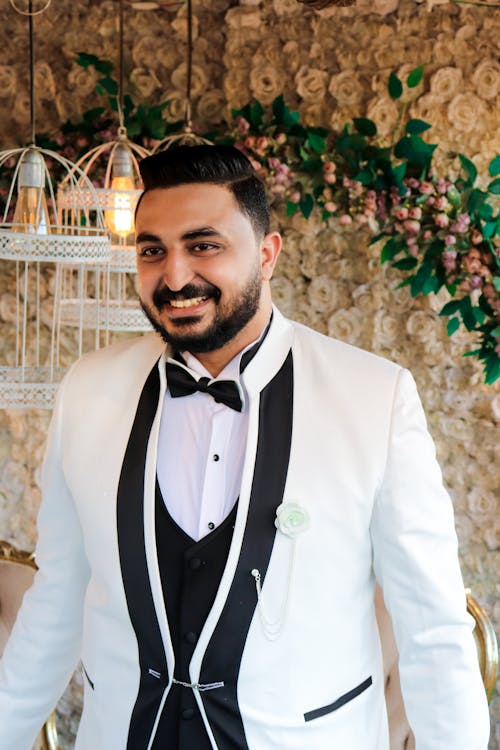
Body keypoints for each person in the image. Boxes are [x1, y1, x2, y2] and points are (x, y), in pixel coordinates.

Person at [0, 145, 490, 750]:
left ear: (266, 254)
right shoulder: (87, 390)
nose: (175, 276)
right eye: (153, 250)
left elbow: (432, 631)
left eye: (203, 245)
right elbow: (56, 600)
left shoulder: (375, 398)